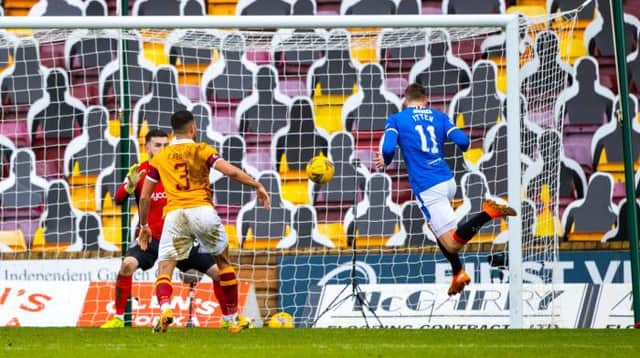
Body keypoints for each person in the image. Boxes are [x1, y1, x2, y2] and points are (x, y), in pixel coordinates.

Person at [375, 83, 516, 296]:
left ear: (405, 100)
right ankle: (458, 271)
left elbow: (387, 149)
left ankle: (488, 212)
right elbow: (464, 142)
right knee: (434, 227)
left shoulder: (397, 119)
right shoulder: (438, 116)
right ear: (425, 100)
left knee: (451, 245)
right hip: (448, 180)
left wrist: (385, 161)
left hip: (427, 186)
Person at [138, 111, 270, 333]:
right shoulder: (202, 150)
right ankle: (230, 318)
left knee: (165, 267)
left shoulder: (160, 158)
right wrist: (256, 185)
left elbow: (144, 196)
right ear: (193, 129)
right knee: (224, 263)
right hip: (202, 210)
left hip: (175, 214)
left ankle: (165, 309)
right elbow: (231, 172)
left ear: (172, 132)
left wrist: (144, 226)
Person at [101, 129, 228, 329]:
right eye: (157, 145)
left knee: (219, 273)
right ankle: (118, 318)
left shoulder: (178, 170)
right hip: (149, 239)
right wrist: (129, 186)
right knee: (126, 266)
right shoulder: (140, 171)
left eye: (165, 145)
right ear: (147, 147)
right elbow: (117, 200)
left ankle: (228, 318)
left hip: (180, 238)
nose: (162, 148)